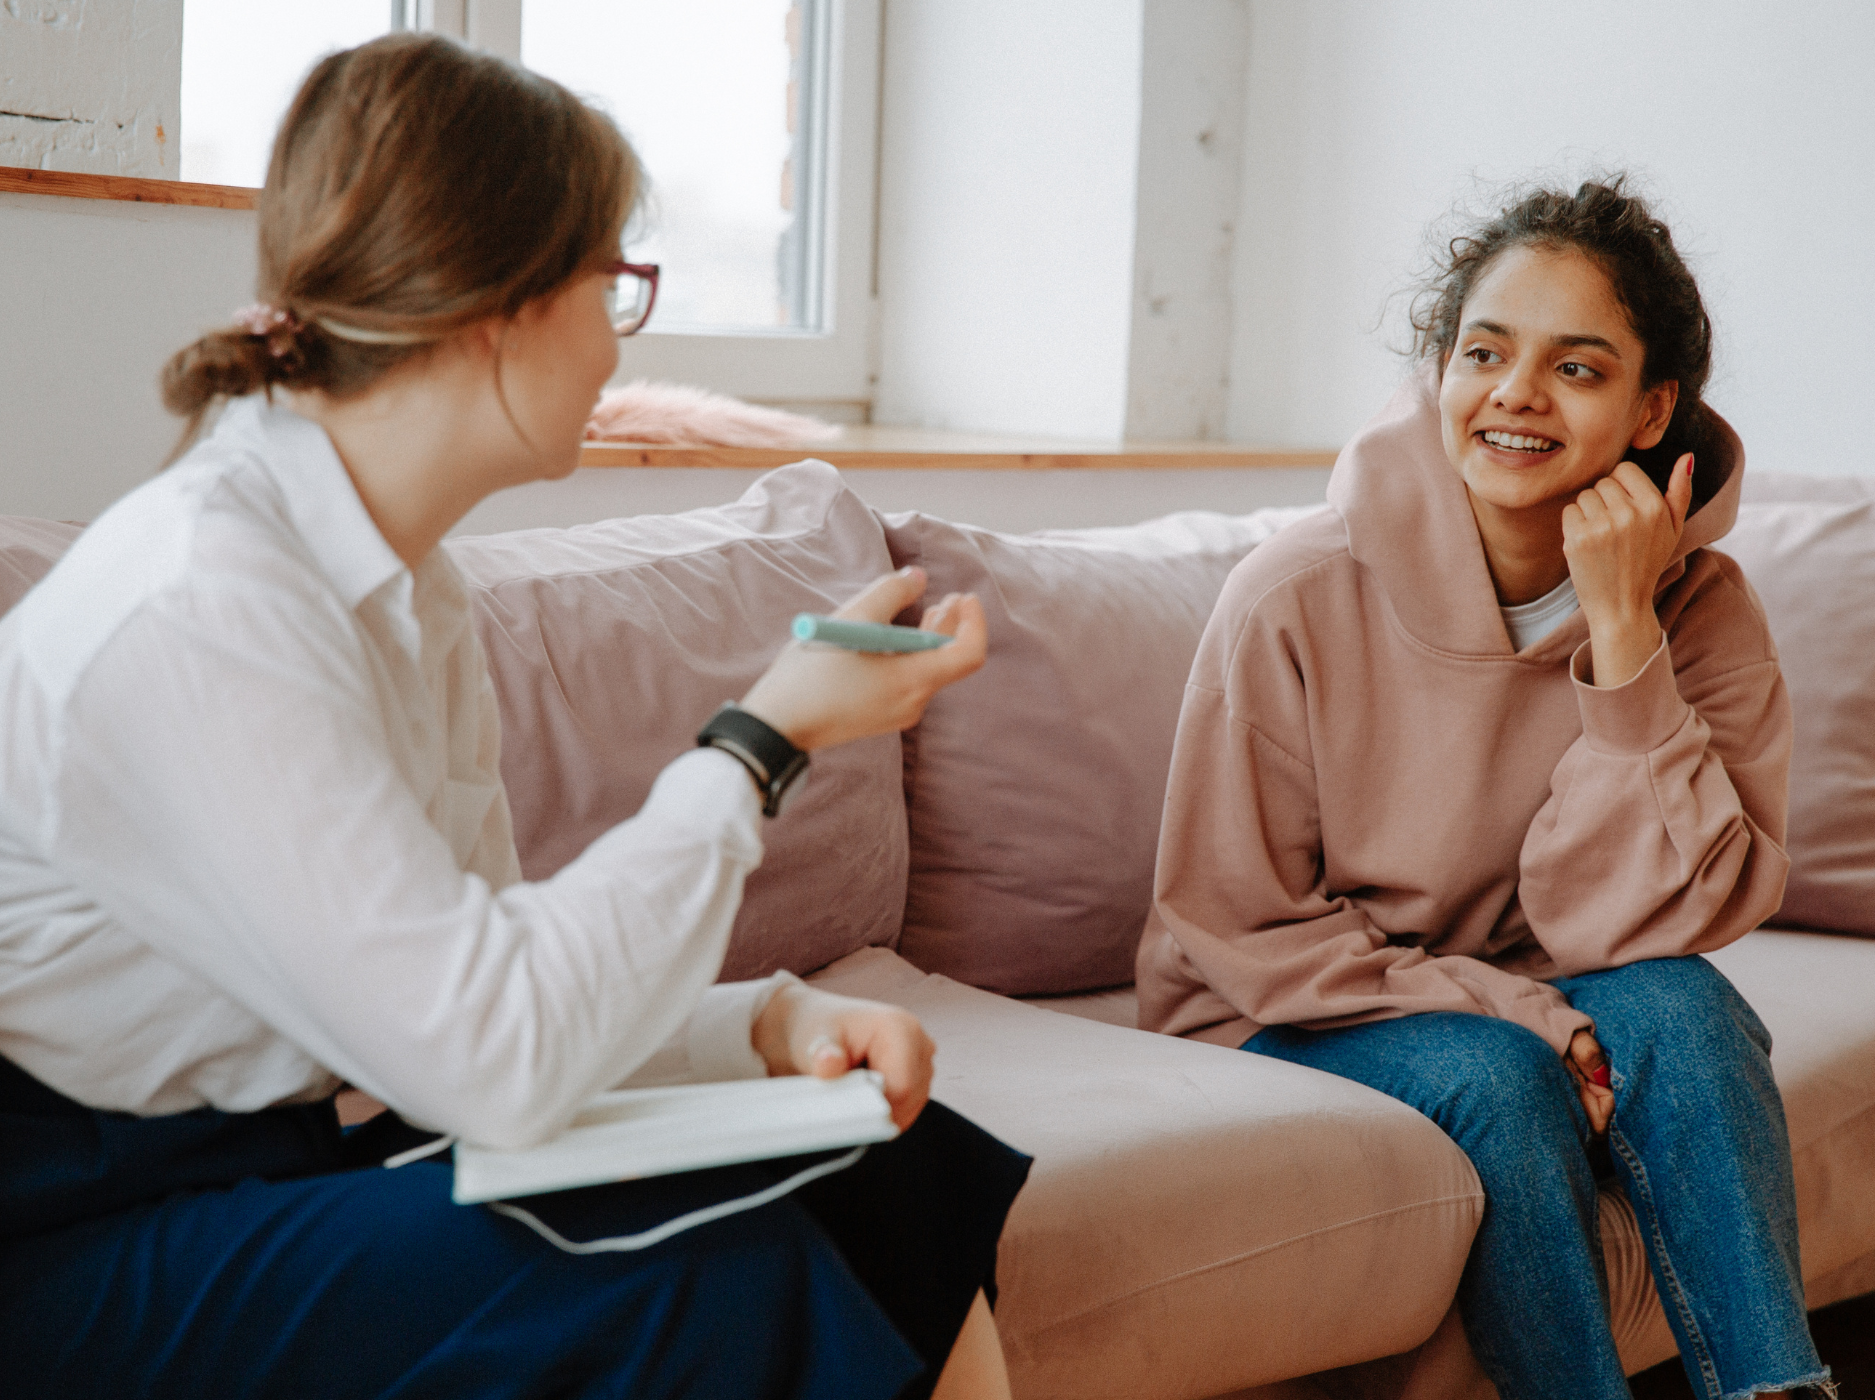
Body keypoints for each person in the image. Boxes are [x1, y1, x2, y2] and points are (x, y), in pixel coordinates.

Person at [0, 33, 1029, 1400]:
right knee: (698, 1276)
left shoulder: (401, 587)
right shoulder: (206, 605)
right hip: (72, 1237)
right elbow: (492, 1061)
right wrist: (757, 742)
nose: (617, 335)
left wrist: (762, 1029)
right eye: (613, 282)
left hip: (259, 1168)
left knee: (889, 1165)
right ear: (494, 306)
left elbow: (488, 985)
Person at [1136, 179, 1835, 1400]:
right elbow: (1239, 919)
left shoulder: (1703, 610)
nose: (1516, 393)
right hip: (1285, 1004)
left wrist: (1624, 637)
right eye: (1484, 352)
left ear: (1649, 405)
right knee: (1504, 1082)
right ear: (1440, 372)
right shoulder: (1294, 595)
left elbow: (1662, 925)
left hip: (1538, 974)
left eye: (1577, 367)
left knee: (1689, 1006)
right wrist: (1521, 1014)